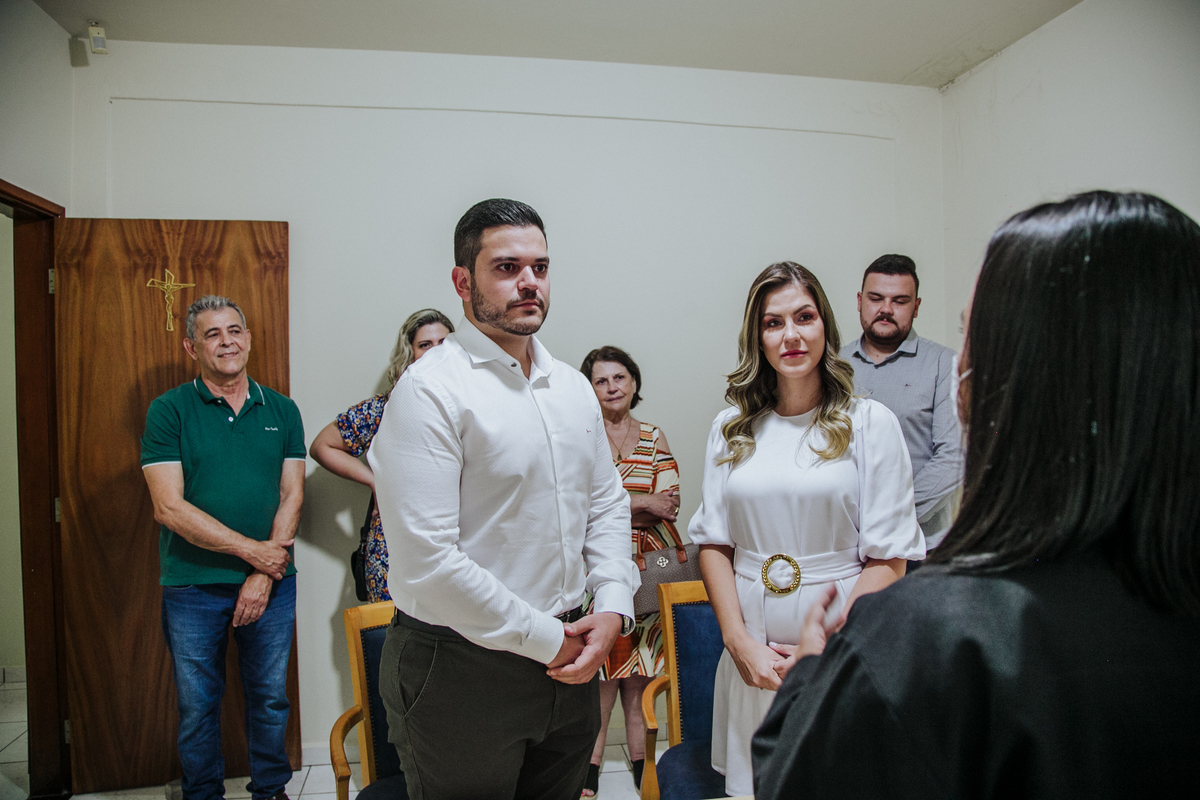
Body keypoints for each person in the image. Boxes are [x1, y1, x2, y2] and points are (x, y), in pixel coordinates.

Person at [753, 191, 1200, 799]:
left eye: (972, 336)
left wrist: (811, 674)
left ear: (1013, 378)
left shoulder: (931, 640)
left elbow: (801, 781)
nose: (960, 360)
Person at [366, 199, 638, 800]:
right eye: (507, 267)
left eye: (540, 267)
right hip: (463, 665)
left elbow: (606, 504)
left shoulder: (572, 387)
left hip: (572, 654)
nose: (529, 282)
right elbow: (429, 562)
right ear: (463, 282)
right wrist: (548, 639)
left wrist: (614, 603)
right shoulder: (430, 392)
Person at [688, 262, 925, 797]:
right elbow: (714, 543)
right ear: (757, 338)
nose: (791, 335)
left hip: (840, 647)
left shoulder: (870, 424)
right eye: (773, 323)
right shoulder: (731, 428)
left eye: (804, 317)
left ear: (826, 326)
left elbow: (889, 558)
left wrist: (826, 648)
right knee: (759, 785)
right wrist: (738, 641)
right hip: (753, 654)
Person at [141, 295, 305, 800]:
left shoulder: (282, 409)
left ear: (249, 338)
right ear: (192, 347)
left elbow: (292, 495)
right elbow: (168, 508)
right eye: (212, 334)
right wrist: (253, 553)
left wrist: (263, 572)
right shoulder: (168, 410)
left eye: (234, 330)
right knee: (197, 706)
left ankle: (271, 791)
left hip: (272, 584)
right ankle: (203, 794)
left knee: (270, 699)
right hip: (192, 586)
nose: (227, 341)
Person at [578, 346, 681, 796]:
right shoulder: (581, 436)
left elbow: (669, 504)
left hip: (650, 572)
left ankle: (643, 765)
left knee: (641, 673)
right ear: (590, 389)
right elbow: (580, 507)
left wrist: (614, 507)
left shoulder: (654, 436)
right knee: (600, 675)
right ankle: (588, 768)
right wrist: (639, 504)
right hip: (599, 569)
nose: (612, 387)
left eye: (619, 377)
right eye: (601, 381)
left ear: (634, 382)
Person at [308, 308, 454, 602]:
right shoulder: (386, 408)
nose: (436, 352)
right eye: (425, 345)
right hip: (395, 550)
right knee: (394, 630)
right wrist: (376, 481)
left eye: (444, 343)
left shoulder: (473, 407)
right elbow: (322, 445)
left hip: (455, 548)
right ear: (410, 354)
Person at [840, 255, 963, 551]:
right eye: (875, 298)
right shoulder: (833, 364)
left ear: (916, 307)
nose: (886, 309)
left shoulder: (944, 364)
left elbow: (953, 457)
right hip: (845, 546)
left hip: (920, 546)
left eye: (900, 301)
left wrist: (890, 520)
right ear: (859, 301)